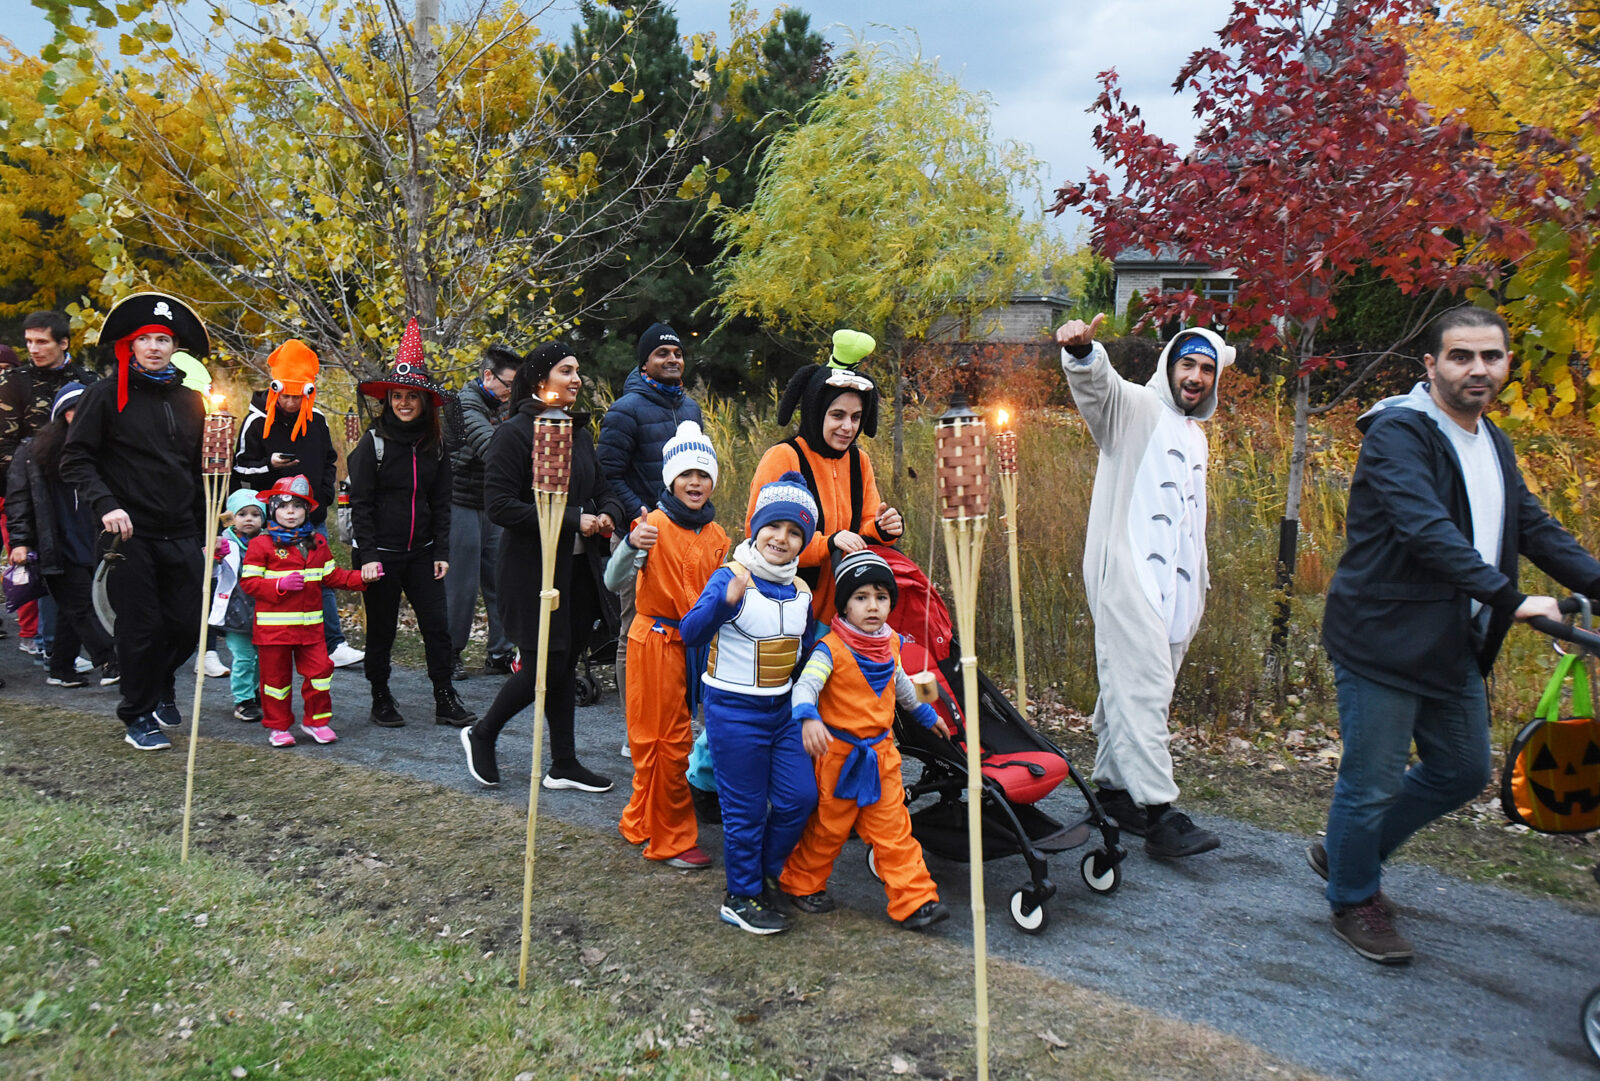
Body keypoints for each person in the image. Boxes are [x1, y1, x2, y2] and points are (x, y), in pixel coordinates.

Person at [1315, 306, 1600, 965]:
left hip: (1451, 641)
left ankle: (1345, 850)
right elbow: (1426, 531)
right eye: (1462, 356)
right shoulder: (1398, 435)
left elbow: (1533, 526)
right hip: (1383, 639)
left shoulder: (1490, 440)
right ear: (1431, 365)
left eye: (1492, 357)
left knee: (1463, 767)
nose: (1479, 369)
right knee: (1372, 780)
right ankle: (1354, 895)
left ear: (1505, 364)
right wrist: (1510, 596)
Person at [1054, 313, 1233, 859]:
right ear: (1169, 365)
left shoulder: (1195, 435)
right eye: (1188, 364)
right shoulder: (1133, 408)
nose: (1196, 376)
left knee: (1125, 691)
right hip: (1127, 576)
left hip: (1175, 592)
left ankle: (1111, 795)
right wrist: (1084, 353)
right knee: (1144, 689)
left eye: (1206, 368)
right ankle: (1160, 814)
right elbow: (1097, 388)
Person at [461, 343, 625, 792]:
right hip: (531, 572)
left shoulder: (578, 432)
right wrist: (575, 519)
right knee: (541, 668)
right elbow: (500, 506)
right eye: (566, 371)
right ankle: (482, 733)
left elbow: (603, 486)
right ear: (539, 380)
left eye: (578, 371)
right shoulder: (515, 434)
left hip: (577, 572)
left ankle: (563, 763)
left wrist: (609, 512)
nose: (575, 379)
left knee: (564, 665)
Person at [61, 291, 210, 751]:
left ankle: (161, 681)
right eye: (145, 338)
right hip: (128, 533)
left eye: (163, 339)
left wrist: (209, 532)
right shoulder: (105, 396)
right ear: (129, 345)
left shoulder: (192, 401)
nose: (154, 346)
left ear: (174, 347)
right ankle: (138, 714)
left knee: (189, 625)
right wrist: (106, 504)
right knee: (140, 628)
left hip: (182, 530)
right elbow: (76, 459)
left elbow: (201, 471)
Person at [779, 548, 951, 930]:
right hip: (837, 757)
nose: (872, 606)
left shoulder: (890, 644)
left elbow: (904, 686)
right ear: (844, 606)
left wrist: (928, 713)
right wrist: (807, 718)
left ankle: (915, 901)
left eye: (881, 597)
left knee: (894, 831)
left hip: (881, 757)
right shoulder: (830, 650)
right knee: (827, 829)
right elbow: (805, 686)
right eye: (861, 597)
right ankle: (800, 883)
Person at [679, 473, 821, 935]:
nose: (782, 538)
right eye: (774, 527)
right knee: (744, 811)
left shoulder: (802, 591)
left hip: (781, 714)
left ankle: (764, 874)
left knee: (800, 797)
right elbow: (690, 632)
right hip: (733, 712)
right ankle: (739, 897)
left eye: (795, 531)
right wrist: (724, 601)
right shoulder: (731, 575)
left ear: (803, 540)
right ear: (756, 528)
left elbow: (803, 653)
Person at [604, 420, 728, 868]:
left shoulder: (718, 537)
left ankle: (641, 818)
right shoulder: (650, 525)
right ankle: (672, 839)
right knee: (663, 740)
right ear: (671, 479)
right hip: (655, 640)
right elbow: (612, 580)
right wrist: (630, 546)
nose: (695, 482)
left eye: (703, 474)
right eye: (686, 475)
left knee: (670, 736)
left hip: (695, 645)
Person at [347, 319, 475, 728]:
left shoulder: (434, 446)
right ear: (388, 400)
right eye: (397, 396)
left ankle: (444, 697)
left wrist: (441, 551)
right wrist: (366, 555)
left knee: (437, 628)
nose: (403, 403)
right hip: (379, 556)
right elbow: (360, 504)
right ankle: (380, 696)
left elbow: (442, 501)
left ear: (424, 401)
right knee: (381, 630)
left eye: (411, 397)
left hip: (422, 554)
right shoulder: (373, 444)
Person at [746, 329, 904, 622]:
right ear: (816, 412)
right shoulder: (785, 457)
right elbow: (759, 537)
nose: (848, 427)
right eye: (837, 415)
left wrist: (882, 529)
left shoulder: (859, 462)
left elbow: (863, 528)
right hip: (786, 609)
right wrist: (826, 544)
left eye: (856, 417)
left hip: (844, 612)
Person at [232, 339, 364, 670]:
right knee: (267, 580)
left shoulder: (316, 420)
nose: (291, 402)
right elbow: (240, 467)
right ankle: (263, 642)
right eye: (286, 395)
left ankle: (333, 643)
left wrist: (323, 497)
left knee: (319, 576)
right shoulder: (256, 421)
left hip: (311, 514)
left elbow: (330, 459)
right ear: (275, 389)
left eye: (297, 395)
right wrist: (269, 467)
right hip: (270, 518)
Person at [597, 323, 704, 713]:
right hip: (638, 536)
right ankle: (634, 721)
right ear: (645, 363)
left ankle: (674, 714)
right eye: (662, 354)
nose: (672, 359)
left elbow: (700, 469)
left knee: (683, 627)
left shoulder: (690, 409)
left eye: (676, 353)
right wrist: (642, 515)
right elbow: (607, 473)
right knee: (635, 629)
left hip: (685, 538)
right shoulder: (625, 410)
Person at [239, 476, 375, 746]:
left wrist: (363, 578)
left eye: (298, 507)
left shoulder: (318, 543)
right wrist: (279, 584)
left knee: (321, 674)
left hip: (311, 630)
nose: (291, 512)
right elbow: (249, 583)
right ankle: (278, 727)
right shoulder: (261, 544)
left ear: (307, 511)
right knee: (275, 682)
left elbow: (332, 576)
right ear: (273, 509)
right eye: (284, 506)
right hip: (273, 632)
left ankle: (316, 722)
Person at [5, 381, 117, 688]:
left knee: (73, 609)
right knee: (81, 604)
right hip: (54, 542)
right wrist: (20, 541)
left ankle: (61, 668)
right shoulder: (32, 452)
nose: (78, 416)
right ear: (60, 415)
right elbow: (18, 498)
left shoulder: (102, 450)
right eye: (71, 411)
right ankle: (110, 659)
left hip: (92, 540)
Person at [2, 311, 97, 656]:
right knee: (42, 563)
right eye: (28, 341)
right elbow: (5, 444)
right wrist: (21, 492)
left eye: (42, 341)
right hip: (27, 488)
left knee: (75, 565)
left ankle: (61, 655)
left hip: (79, 488)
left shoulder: (88, 379)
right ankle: (46, 643)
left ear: (63, 342)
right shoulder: (15, 381)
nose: (33, 349)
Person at [443, 345, 519, 679]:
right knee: (462, 582)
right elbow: (490, 446)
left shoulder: (508, 403)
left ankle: (501, 651)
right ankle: (448, 652)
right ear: (487, 375)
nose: (511, 393)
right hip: (459, 500)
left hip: (493, 503)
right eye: (508, 384)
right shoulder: (462, 404)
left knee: (503, 578)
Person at [211, 489, 265, 722]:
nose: (249, 519)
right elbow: (211, 572)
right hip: (235, 611)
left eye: (255, 514)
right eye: (242, 514)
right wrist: (214, 556)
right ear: (232, 518)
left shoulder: (269, 541)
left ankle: (254, 691)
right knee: (243, 657)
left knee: (261, 657)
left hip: (263, 611)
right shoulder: (224, 543)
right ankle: (243, 699)